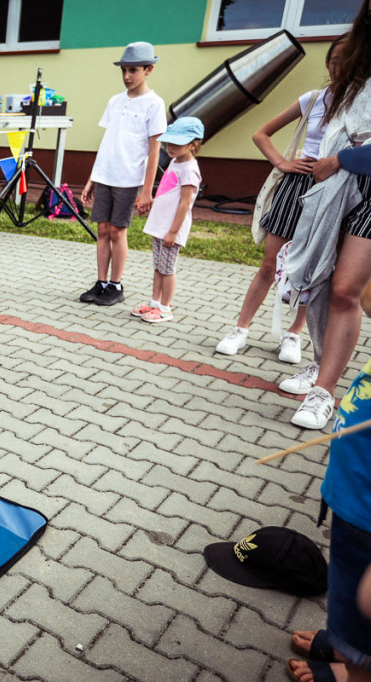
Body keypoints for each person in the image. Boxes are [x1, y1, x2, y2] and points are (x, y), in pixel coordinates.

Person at [216, 37, 345, 363]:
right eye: (334, 59)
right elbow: (261, 133)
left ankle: (293, 335)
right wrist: (282, 162)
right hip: (295, 186)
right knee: (270, 263)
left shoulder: (361, 104)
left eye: (347, 59)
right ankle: (240, 329)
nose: (338, 66)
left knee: (314, 270)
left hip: (331, 191)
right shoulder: (314, 98)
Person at [283, 4, 371, 430]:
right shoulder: (358, 62)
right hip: (345, 186)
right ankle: (324, 388)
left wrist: (340, 159)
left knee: (347, 290)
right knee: (329, 286)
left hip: (357, 176)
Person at [286, 281, 371, 682]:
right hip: (353, 505)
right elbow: (366, 299)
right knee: (346, 598)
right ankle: (346, 645)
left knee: (362, 605)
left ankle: (354, 672)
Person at [79, 41, 167, 307]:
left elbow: (154, 151)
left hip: (130, 180)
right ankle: (101, 282)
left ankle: (116, 285)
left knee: (118, 231)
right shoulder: (115, 101)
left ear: (149, 69)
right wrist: (92, 178)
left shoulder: (154, 104)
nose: (127, 76)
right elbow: (107, 142)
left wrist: (147, 191)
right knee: (102, 229)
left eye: (133, 70)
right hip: (106, 175)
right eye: (124, 70)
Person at [131, 116, 204, 324]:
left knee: (167, 269)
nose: (170, 147)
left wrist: (173, 231)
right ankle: (155, 303)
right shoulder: (175, 162)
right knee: (158, 267)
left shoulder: (190, 170)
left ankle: (165, 307)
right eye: (169, 142)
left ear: (193, 144)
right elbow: (169, 193)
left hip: (171, 229)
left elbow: (184, 204)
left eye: (177, 144)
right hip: (160, 225)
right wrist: (153, 203)